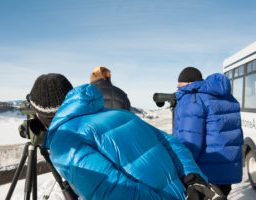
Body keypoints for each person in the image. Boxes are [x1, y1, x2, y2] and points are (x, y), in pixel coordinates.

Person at [28, 73, 225, 200]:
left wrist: (50, 137)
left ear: (40, 114)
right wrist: (192, 178)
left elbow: (114, 192)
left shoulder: (64, 142)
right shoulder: (121, 114)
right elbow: (171, 142)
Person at [173, 67, 244, 197]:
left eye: (179, 85)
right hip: (227, 170)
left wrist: (181, 171)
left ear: (189, 83)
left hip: (204, 175)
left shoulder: (192, 98)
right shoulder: (227, 97)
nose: (178, 89)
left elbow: (189, 142)